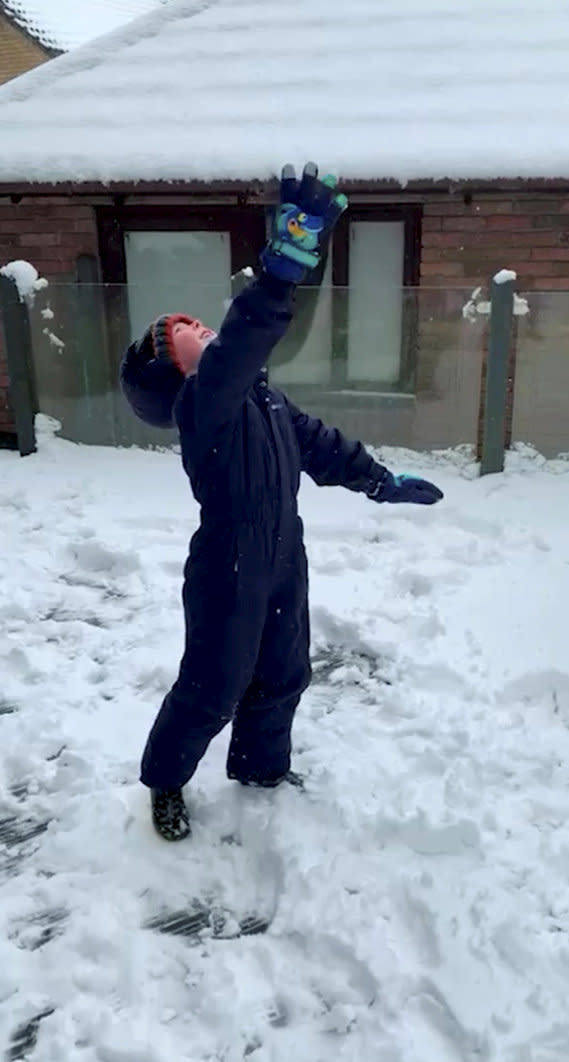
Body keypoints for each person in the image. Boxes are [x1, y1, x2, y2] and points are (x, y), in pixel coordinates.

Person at [120, 163, 443, 842]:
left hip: (282, 552)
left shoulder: (263, 400)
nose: (200, 329)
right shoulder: (205, 408)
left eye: (196, 323)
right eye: (184, 336)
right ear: (177, 376)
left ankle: (261, 769)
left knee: (283, 670)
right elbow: (241, 343)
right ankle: (164, 781)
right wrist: (286, 258)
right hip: (227, 562)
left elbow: (318, 445)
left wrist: (377, 480)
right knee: (212, 685)